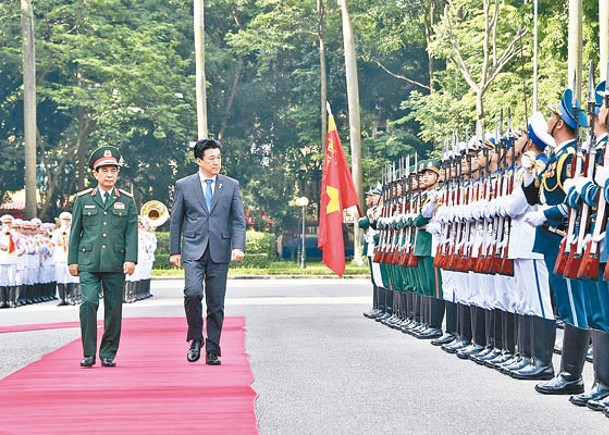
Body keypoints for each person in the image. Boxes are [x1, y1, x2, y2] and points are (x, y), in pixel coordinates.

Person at [169, 138, 246, 366]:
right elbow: (176, 220)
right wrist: (175, 250)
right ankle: (195, 339)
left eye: (219, 157)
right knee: (192, 293)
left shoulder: (231, 185)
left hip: (220, 250)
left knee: (216, 302)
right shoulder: (184, 185)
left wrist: (238, 246)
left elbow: (238, 220)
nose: (216, 162)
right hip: (193, 249)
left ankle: (213, 347)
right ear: (199, 160)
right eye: (211, 158)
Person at [68, 146, 138, 368]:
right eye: (104, 170)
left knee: (113, 307)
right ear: (95, 174)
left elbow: (131, 233)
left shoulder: (126, 201)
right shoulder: (82, 199)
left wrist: (131, 259)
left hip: (115, 262)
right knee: (88, 302)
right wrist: (72, 260)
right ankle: (88, 352)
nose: (109, 174)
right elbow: (75, 231)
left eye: (113, 170)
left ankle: (108, 352)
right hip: (88, 261)